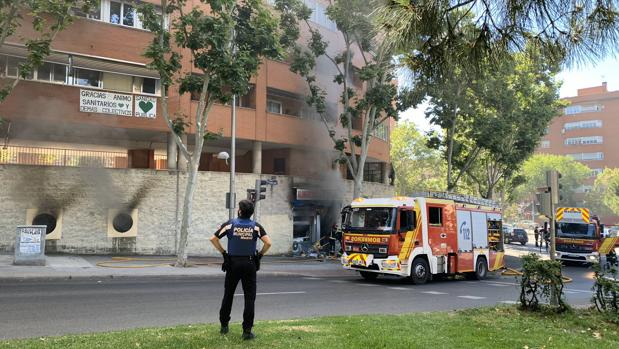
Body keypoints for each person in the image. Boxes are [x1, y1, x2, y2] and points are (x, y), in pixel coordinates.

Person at [210, 199, 272, 340]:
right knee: (249, 298)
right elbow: (268, 243)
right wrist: (259, 256)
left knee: (229, 294)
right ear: (251, 213)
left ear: (239, 211)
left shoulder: (230, 224)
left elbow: (213, 238)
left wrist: (224, 253)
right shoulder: (256, 226)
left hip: (233, 263)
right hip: (249, 263)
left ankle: (224, 325)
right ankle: (247, 331)